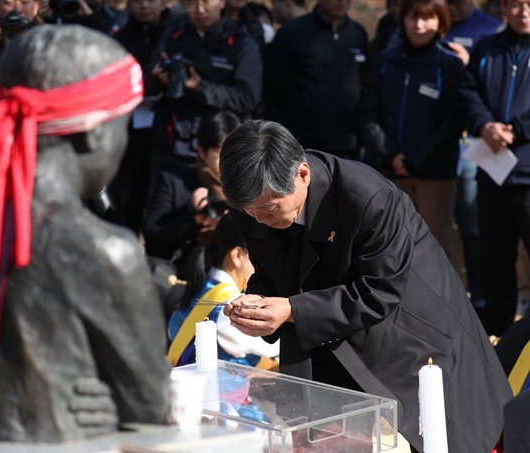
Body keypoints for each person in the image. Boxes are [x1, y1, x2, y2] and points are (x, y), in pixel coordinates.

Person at [0, 25, 170, 441]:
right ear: (95, 132)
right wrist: (113, 397)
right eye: (122, 125)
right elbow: (149, 403)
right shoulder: (106, 250)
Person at [219, 120, 512, 452]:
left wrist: (290, 309)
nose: (259, 220)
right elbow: (270, 268)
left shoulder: (367, 197)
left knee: (428, 436)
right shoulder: (251, 203)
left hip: (408, 337)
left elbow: (379, 292)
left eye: (269, 211)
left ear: (302, 174)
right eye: (249, 212)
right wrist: (258, 302)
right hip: (326, 338)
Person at [361, 0, 465, 261]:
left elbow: (454, 122)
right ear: (402, 19)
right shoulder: (385, 60)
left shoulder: (450, 65)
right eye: (412, 17)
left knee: (436, 244)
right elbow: (368, 114)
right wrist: (389, 156)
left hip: (435, 175)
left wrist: (416, 160)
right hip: (389, 172)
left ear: (440, 21)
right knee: (391, 244)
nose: (419, 25)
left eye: (427, 18)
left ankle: (443, 303)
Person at [459, 0, 530, 341]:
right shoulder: (489, 47)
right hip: (493, 172)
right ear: (504, 7)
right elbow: (467, 91)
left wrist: (517, 129)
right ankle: (500, 337)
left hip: (527, 172)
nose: (524, 11)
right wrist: (485, 124)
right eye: (517, 4)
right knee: (495, 260)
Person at [146, 0, 261, 193]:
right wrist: (159, 78)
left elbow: (247, 97)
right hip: (172, 149)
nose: (200, 9)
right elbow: (147, 84)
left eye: (207, 2)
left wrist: (201, 87)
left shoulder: (241, 43)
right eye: (191, 3)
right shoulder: (174, 36)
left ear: (222, 2)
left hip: (219, 153)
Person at [445, 0, 503, 313]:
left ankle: (480, 300)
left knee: (473, 227)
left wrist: (467, 65)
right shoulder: (429, 21)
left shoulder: (488, 30)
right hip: (435, 142)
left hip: (474, 146)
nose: (452, 7)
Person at [167, 215, 279, 368]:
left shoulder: (199, 287)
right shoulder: (232, 307)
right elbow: (276, 346)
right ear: (237, 255)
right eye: (258, 257)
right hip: (216, 390)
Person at [263, 0, 367, 160]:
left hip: (348, 147)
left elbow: (366, 85)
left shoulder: (358, 34)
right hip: (302, 147)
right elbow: (271, 88)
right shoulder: (292, 33)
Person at [143, 111, 239, 274]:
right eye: (220, 153)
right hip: (183, 275)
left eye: (234, 154)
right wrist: (194, 216)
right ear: (202, 151)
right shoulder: (174, 183)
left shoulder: (247, 188)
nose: (228, 162)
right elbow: (152, 236)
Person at [108, 0, 173, 234]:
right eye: (137, 1)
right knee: (128, 200)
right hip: (129, 133)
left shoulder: (176, 34)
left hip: (170, 130)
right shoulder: (119, 38)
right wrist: (147, 83)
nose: (145, 5)